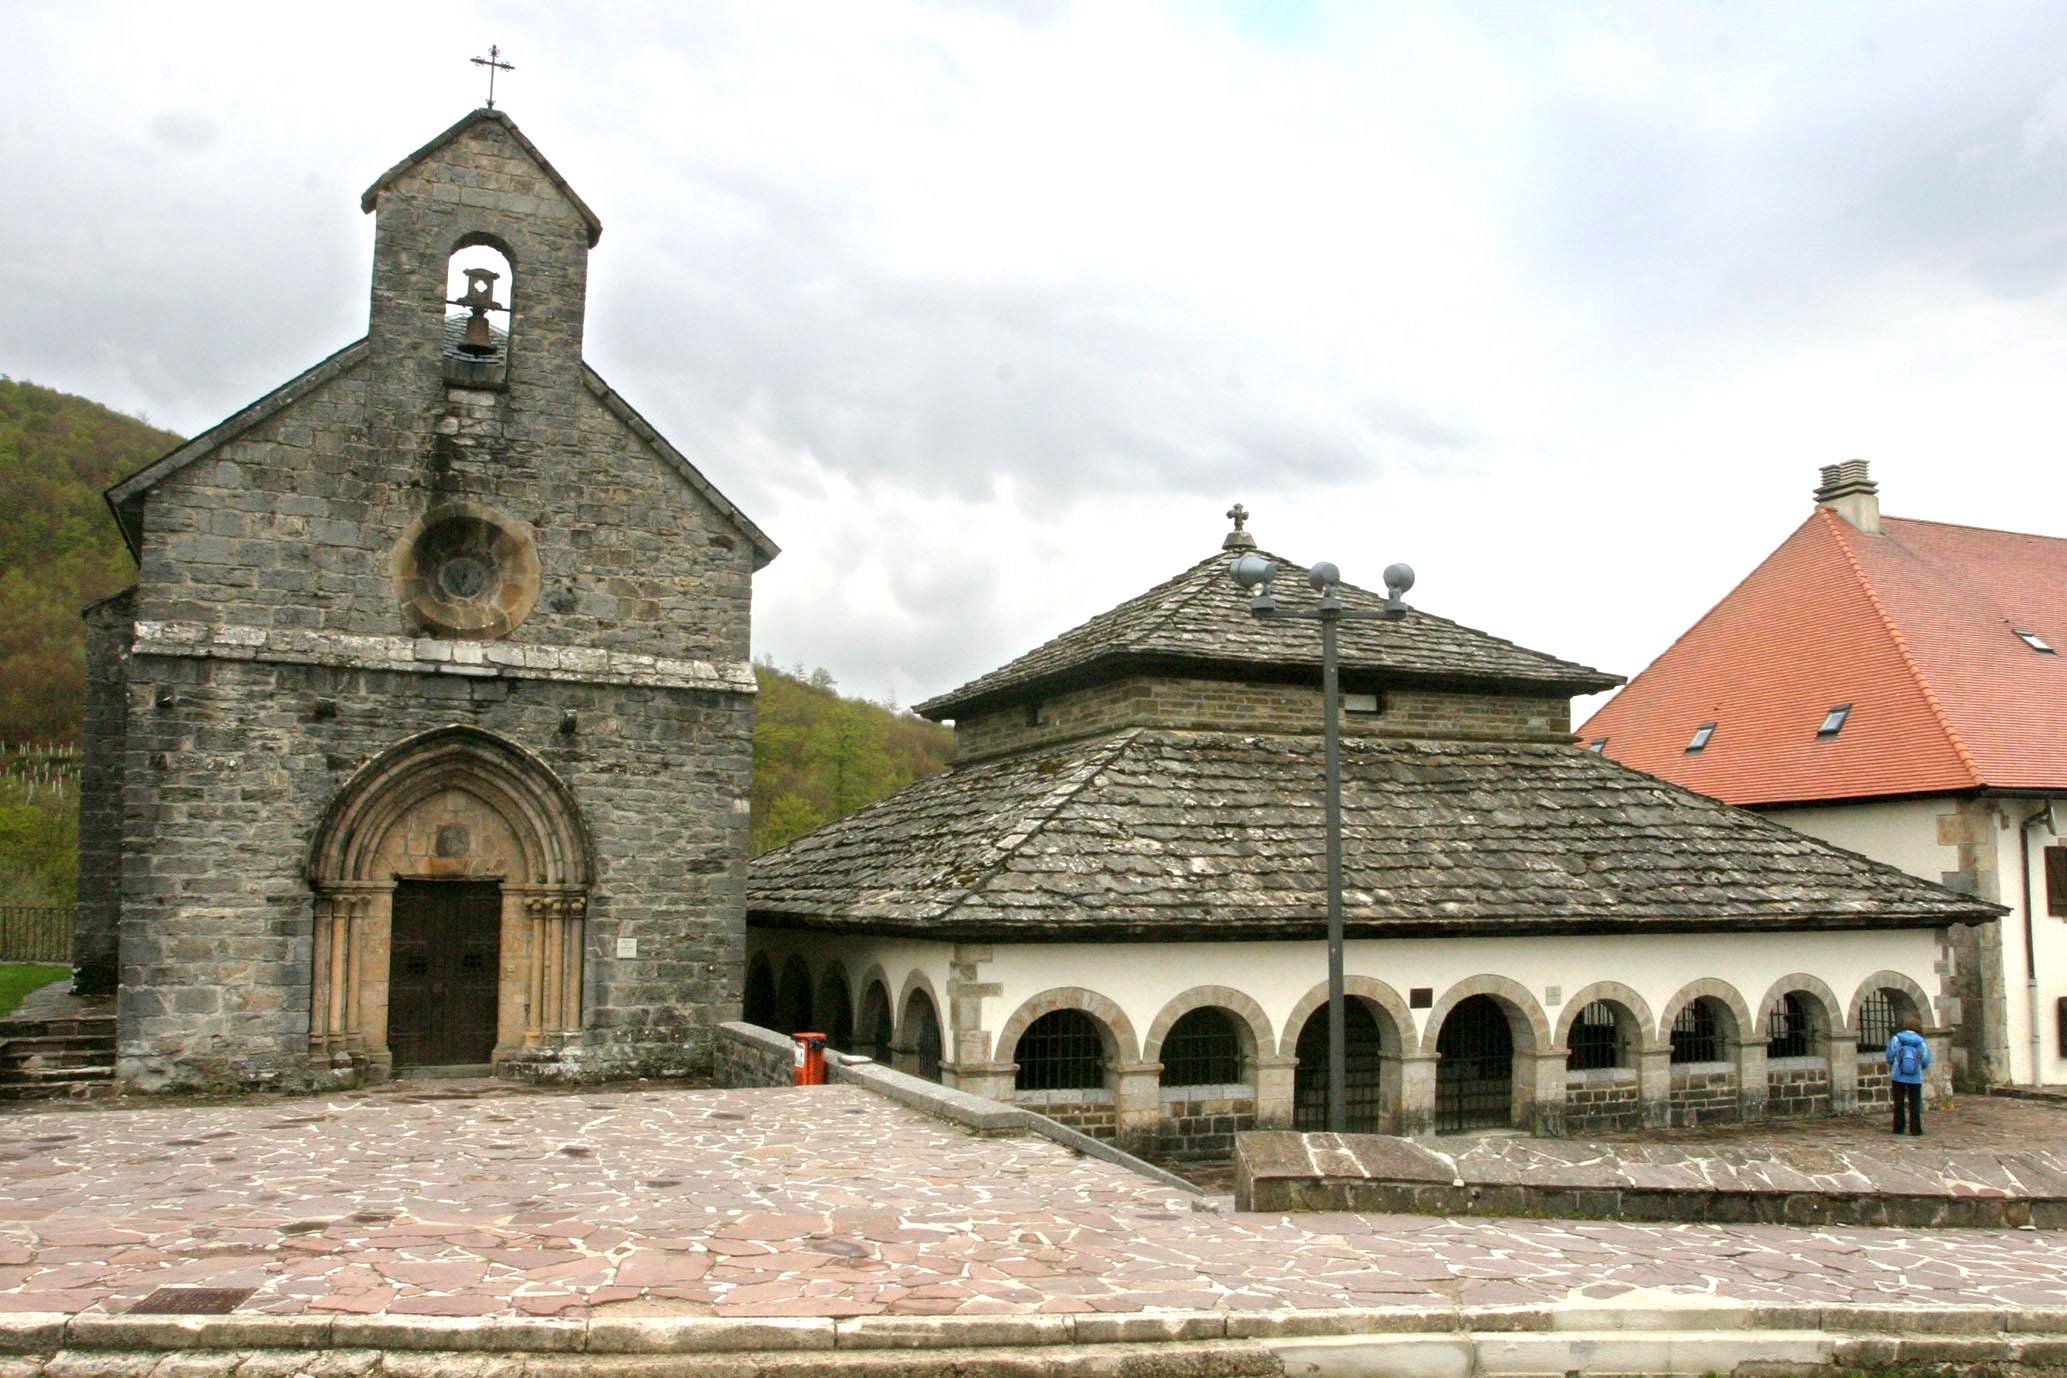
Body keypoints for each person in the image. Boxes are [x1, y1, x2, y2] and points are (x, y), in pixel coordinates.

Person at [1885, 1020, 1932, 1136]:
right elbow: (1926, 1060)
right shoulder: (1921, 1042)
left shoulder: (1896, 1039)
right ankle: (1915, 1129)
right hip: (1915, 1077)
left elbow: (1890, 1056)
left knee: (1899, 1103)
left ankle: (1898, 1128)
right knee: (1915, 1103)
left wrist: (1896, 1064)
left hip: (1898, 1076)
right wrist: (1919, 1067)